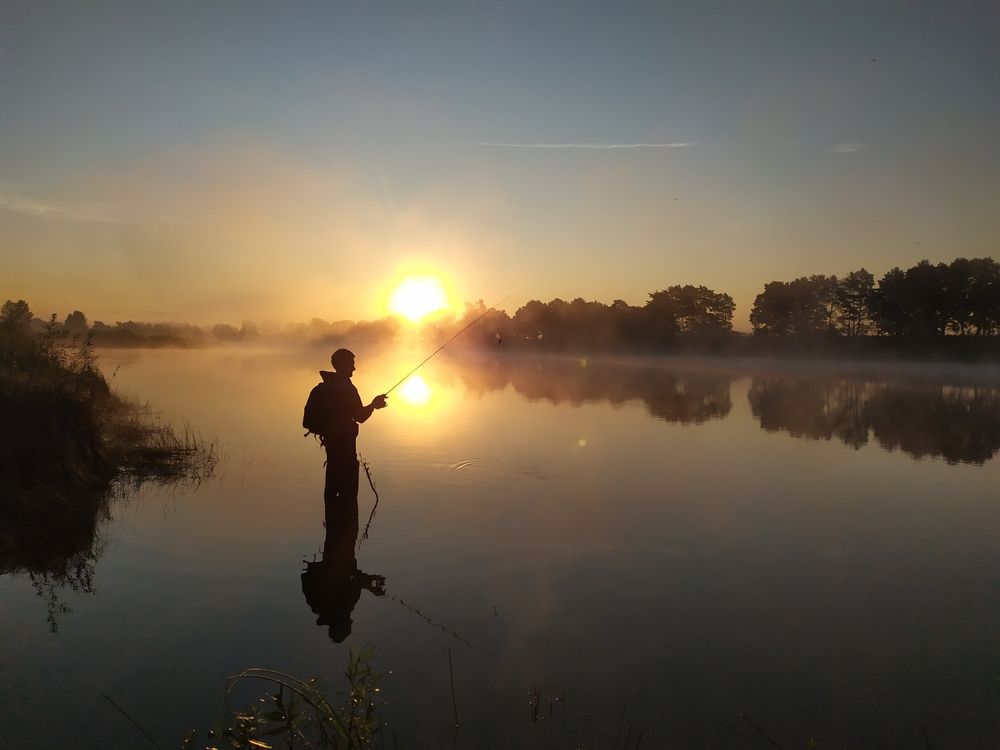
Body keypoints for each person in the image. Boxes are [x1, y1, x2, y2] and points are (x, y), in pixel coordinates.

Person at [303, 348, 387, 520]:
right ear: (343, 365)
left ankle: (332, 535)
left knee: (331, 492)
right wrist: (373, 405)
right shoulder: (347, 390)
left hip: (332, 450)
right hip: (346, 452)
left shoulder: (322, 389)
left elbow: (306, 422)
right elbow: (360, 417)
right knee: (349, 498)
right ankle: (346, 538)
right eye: (352, 364)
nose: (354, 368)